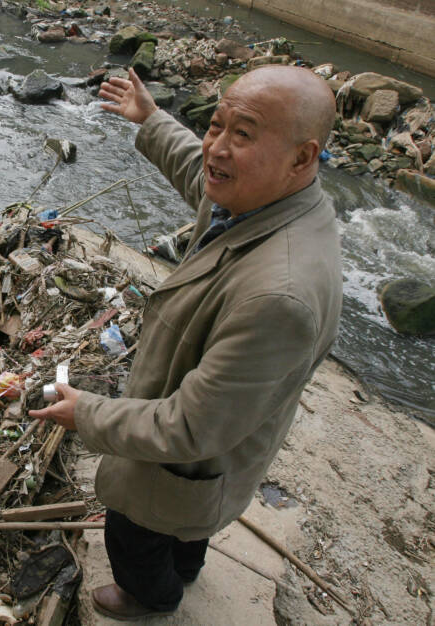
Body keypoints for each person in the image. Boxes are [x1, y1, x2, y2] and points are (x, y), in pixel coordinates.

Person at [28, 65, 343, 620]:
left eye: (242, 134)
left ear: (303, 156)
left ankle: (152, 597)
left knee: (136, 538)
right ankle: (187, 566)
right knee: (188, 527)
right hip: (210, 456)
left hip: (185, 453)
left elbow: (192, 428)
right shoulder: (262, 200)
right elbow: (200, 174)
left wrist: (89, 414)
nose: (216, 148)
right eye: (214, 125)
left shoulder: (279, 296)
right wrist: (150, 119)